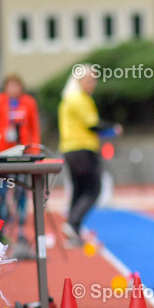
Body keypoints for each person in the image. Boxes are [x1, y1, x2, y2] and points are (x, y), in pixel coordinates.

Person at [58, 66, 121, 246]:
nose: (93, 84)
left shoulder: (68, 99)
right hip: (82, 149)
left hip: (70, 148)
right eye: (89, 80)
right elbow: (92, 125)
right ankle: (73, 222)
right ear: (79, 81)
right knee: (93, 189)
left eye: (94, 80)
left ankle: (73, 229)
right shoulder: (79, 99)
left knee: (79, 189)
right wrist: (113, 128)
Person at [0, 73, 41, 248]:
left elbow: (34, 128)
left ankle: (22, 230)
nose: (14, 89)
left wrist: (35, 151)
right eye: (11, 85)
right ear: (6, 87)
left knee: (22, 192)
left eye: (17, 85)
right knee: (1, 193)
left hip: (23, 154)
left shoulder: (28, 102)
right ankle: (3, 230)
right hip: (2, 154)